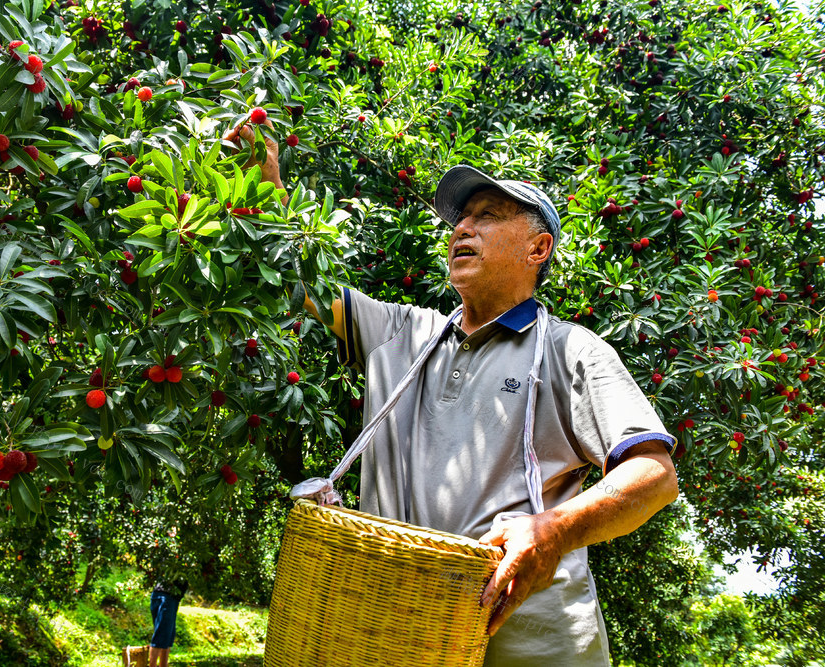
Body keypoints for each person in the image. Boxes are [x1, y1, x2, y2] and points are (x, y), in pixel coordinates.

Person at [226, 125, 679, 665]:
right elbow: (301, 280)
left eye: (486, 214)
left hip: (526, 643)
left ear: (538, 248)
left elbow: (655, 476)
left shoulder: (572, 352)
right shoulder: (401, 333)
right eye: (460, 219)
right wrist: (265, 186)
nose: (462, 227)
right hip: (398, 636)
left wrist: (553, 532)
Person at [148, 575, 187, 667]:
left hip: (164, 595)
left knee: (167, 636)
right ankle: (152, 665)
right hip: (167, 596)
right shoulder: (180, 564)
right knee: (161, 635)